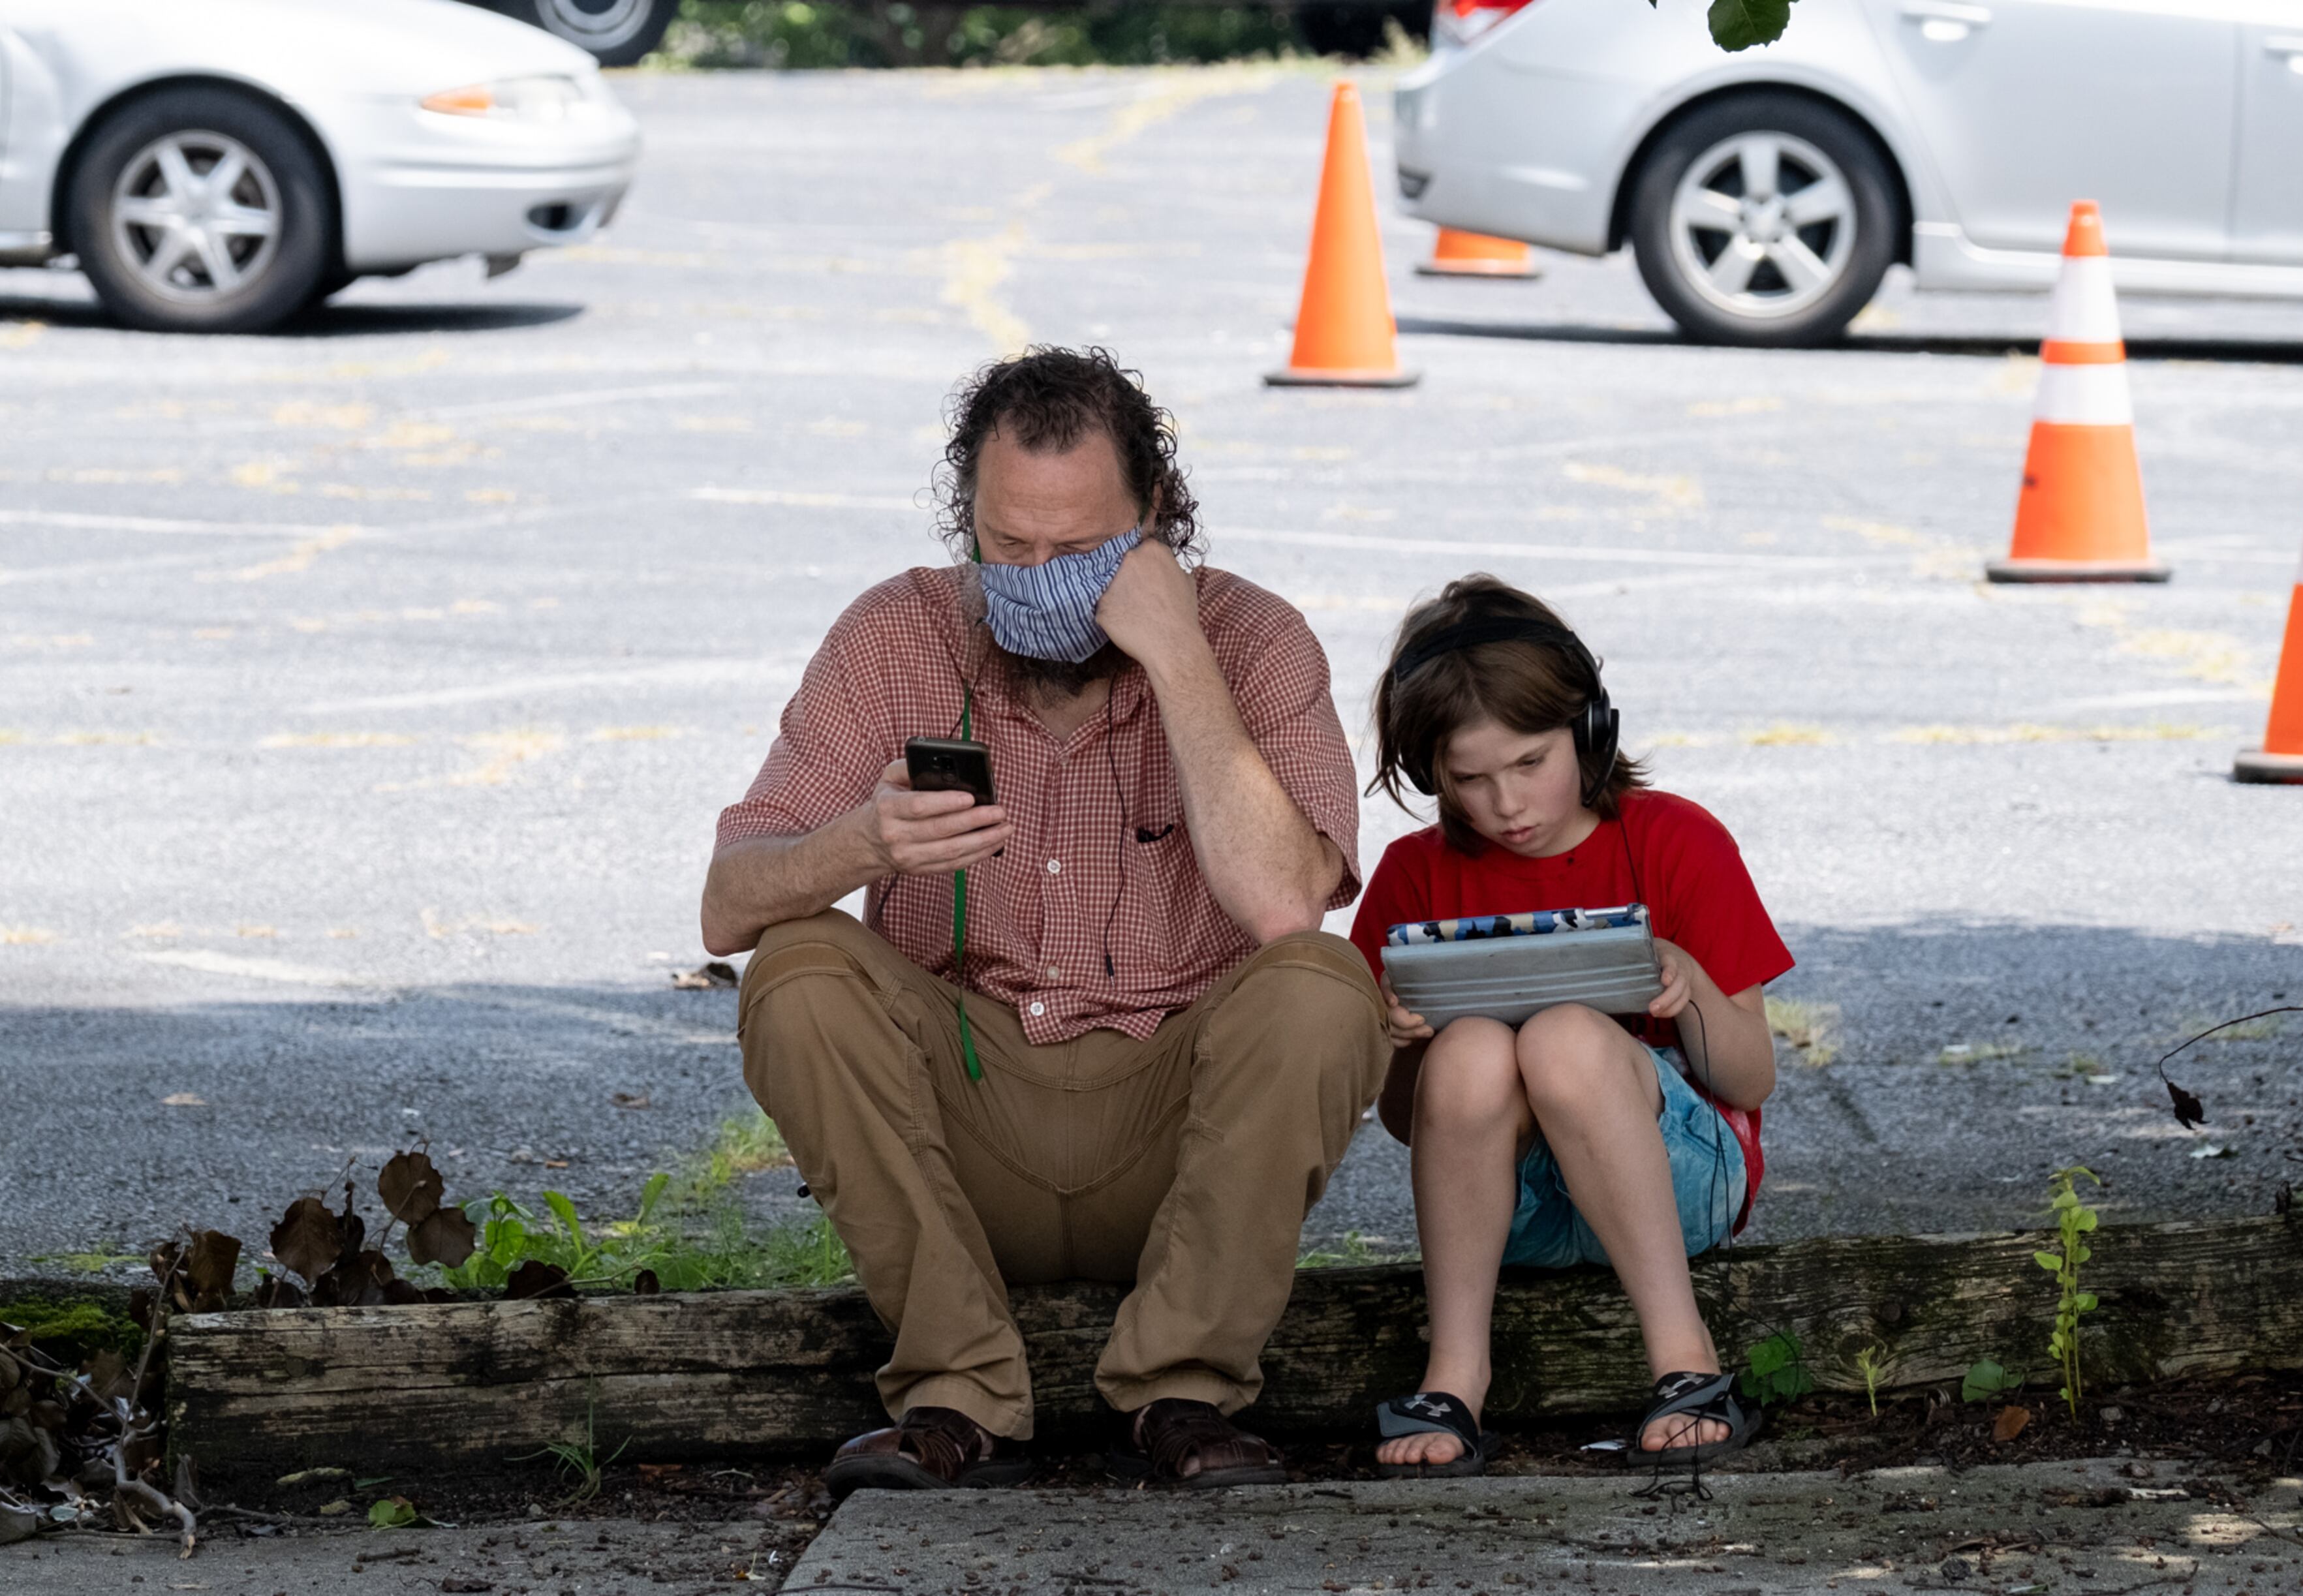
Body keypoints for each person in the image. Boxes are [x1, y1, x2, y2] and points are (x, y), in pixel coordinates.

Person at [701, 346, 1390, 1496]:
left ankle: (1186, 1390)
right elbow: (727, 904)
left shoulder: (1256, 639)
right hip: (970, 1116)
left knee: (1321, 986)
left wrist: (1175, 652)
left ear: (1155, 515)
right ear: (966, 513)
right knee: (799, 965)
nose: (1037, 575)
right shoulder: (894, 632)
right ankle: (958, 1389)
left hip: (1179, 1130)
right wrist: (859, 843)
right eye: (1008, 544)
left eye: (1077, 551)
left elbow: (1286, 906)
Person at [1345, 575, 1791, 1476]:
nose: (1506, 803)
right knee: (1469, 1049)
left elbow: (1751, 1081)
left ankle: (1684, 1358)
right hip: (1504, 1206)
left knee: (1564, 1037)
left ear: (1590, 731)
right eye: (1468, 779)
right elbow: (1407, 1121)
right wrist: (1400, 1045)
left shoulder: (1676, 838)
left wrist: (1692, 983)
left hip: (1680, 1180)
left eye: (1529, 762)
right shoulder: (1412, 875)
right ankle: (1455, 1375)